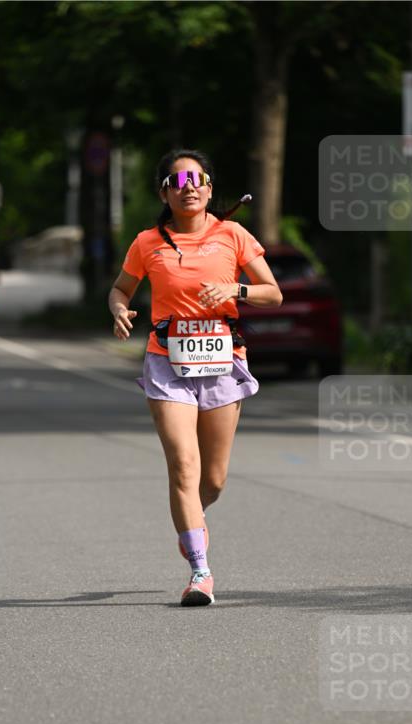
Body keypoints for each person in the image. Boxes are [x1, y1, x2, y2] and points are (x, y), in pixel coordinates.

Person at [108, 149, 282, 607]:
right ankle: (200, 572)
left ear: (208, 187)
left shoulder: (233, 234)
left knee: (214, 480)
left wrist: (236, 289)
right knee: (184, 465)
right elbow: (121, 288)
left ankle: (192, 523)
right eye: (177, 179)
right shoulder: (148, 242)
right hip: (168, 363)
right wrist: (120, 310)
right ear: (164, 191)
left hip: (223, 362)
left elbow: (272, 294)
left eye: (197, 177)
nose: (188, 185)